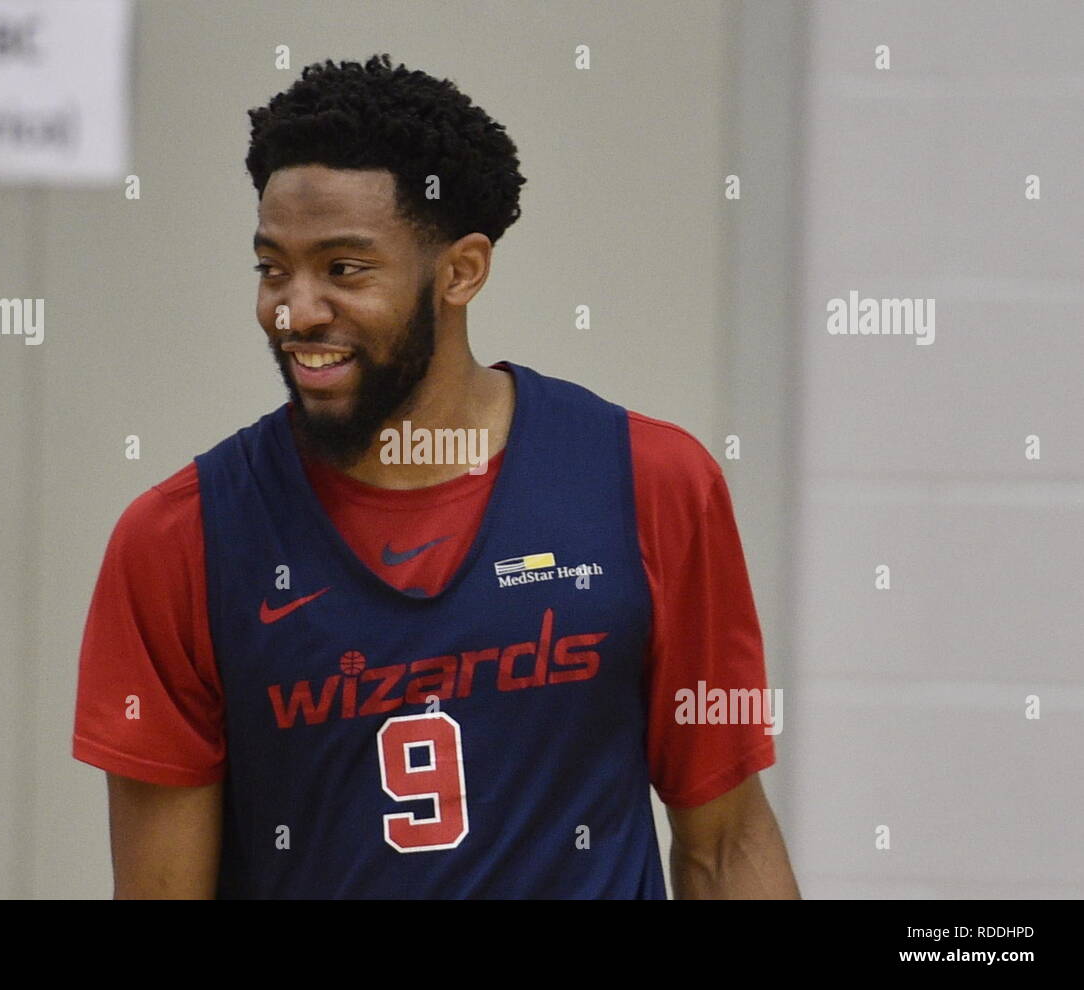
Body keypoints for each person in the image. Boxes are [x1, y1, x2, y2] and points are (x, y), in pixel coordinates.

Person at [72, 53, 799, 899]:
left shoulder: (652, 482)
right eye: (273, 267)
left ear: (462, 272)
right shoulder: (177, 542)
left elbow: (726, 842)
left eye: (344, 270)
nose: (295, 310)